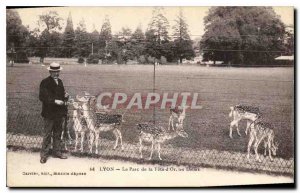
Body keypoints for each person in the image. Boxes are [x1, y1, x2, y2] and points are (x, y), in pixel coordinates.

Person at [39, 62, 69, 164]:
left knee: (57, 133)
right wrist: (55, 101)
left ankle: (57, 152)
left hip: (59, 113)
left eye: (58, 71)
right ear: (50, 72)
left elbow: (62, 96)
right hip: (49, 113)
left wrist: (65, 96)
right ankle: (44, 155)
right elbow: (42, 97)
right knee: (47, 134)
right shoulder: (45, 82)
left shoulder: (60, 82)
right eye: (54, 72)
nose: (56, 73)